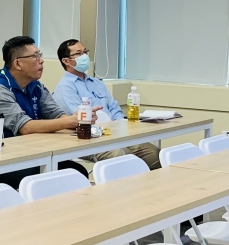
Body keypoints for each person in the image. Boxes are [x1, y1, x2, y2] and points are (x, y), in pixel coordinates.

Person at [54, 38, 160, 170]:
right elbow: (81, 119)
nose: (84, 56)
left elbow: (115, 109)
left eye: (85, 52)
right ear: (66, 61)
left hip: (115, 133)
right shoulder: (65, 87)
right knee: (124, 158)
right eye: (79, 53)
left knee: (154, 154)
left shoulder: (97, 83)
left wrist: (120, 129)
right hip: (90, 139)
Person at [0, 36, 92, 145]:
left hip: (30, 146)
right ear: (18, 64)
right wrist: (70, 121)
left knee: (78, 157)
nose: (41, 60)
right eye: (35, 56)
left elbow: (55, 114)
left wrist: (81, 120)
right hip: (1, 153)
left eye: (40, 55)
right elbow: (25, 127)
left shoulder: (35, 85)